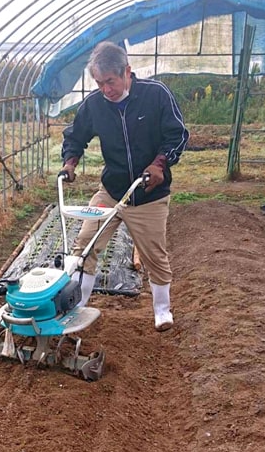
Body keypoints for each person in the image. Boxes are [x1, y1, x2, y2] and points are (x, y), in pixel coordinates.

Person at [60, 41, 189, 331]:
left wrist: (160, 163)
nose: (106, 89)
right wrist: (70, 162)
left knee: (154, 254)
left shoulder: (155, 95)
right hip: (112, 191)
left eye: (110, 81)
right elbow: (75, 135)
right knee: (85, 246)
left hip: (147, 194)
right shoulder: (94, 105)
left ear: (127, 72)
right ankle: (77, 309)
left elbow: (177, 134)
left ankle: (162, 310)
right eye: (99, 82)